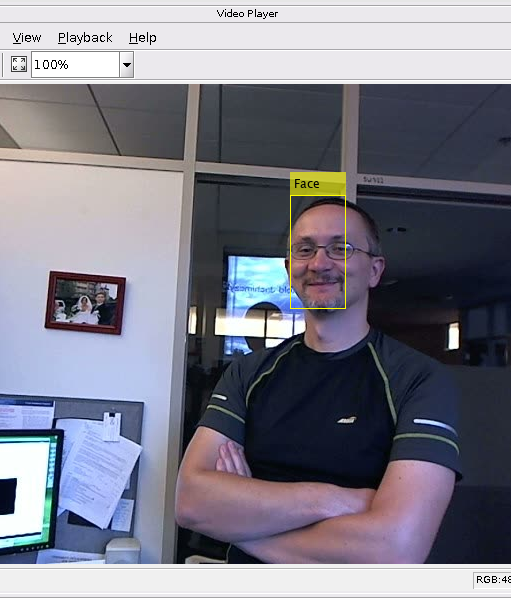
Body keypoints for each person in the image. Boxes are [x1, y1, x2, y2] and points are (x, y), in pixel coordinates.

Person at [175, 197, 462, 564]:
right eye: (305, 249)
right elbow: (190, 503)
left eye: (341, 248)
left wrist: (238, 521)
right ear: (289, 268)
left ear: (375, 270)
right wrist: (333, 500)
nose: (319, 263)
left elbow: (394, 551)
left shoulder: (419, 380)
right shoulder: (248, 373)